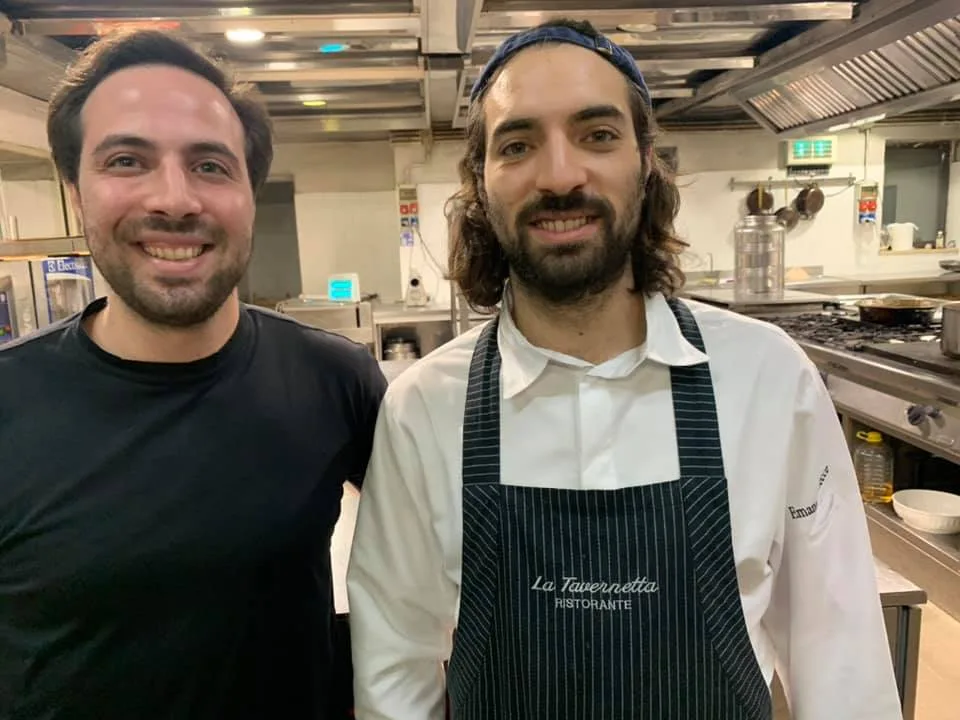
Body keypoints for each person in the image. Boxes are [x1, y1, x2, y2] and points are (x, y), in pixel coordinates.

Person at [347, 18, 903, 720]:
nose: (559, 175)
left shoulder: (767, 379)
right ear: (481, 183)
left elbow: (840, 655)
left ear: (645, 162)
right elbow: (393, 670)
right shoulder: (424, 408)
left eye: (598, 135)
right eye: (517, 145)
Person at [0, 30, 386, 719]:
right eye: (127, 160)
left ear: (249, 193)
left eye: (210, 165)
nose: (175, 200)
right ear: (74, 192)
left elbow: (438, 560)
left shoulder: (336, 380)